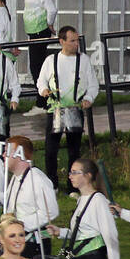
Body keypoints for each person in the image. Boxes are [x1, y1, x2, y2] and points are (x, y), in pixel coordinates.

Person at [36, 26, 97, 185]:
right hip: (55, 109)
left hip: (75, 109)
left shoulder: (84, 60)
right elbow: (41, 81)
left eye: (77, 40)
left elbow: (93, 84)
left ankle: (73, 186)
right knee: (50, 149)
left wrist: (88, 98)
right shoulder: (51, 60)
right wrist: (44, 90)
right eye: (72, 41)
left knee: (74, 150)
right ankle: (52, 183)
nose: (76, 44)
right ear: (61, 41)